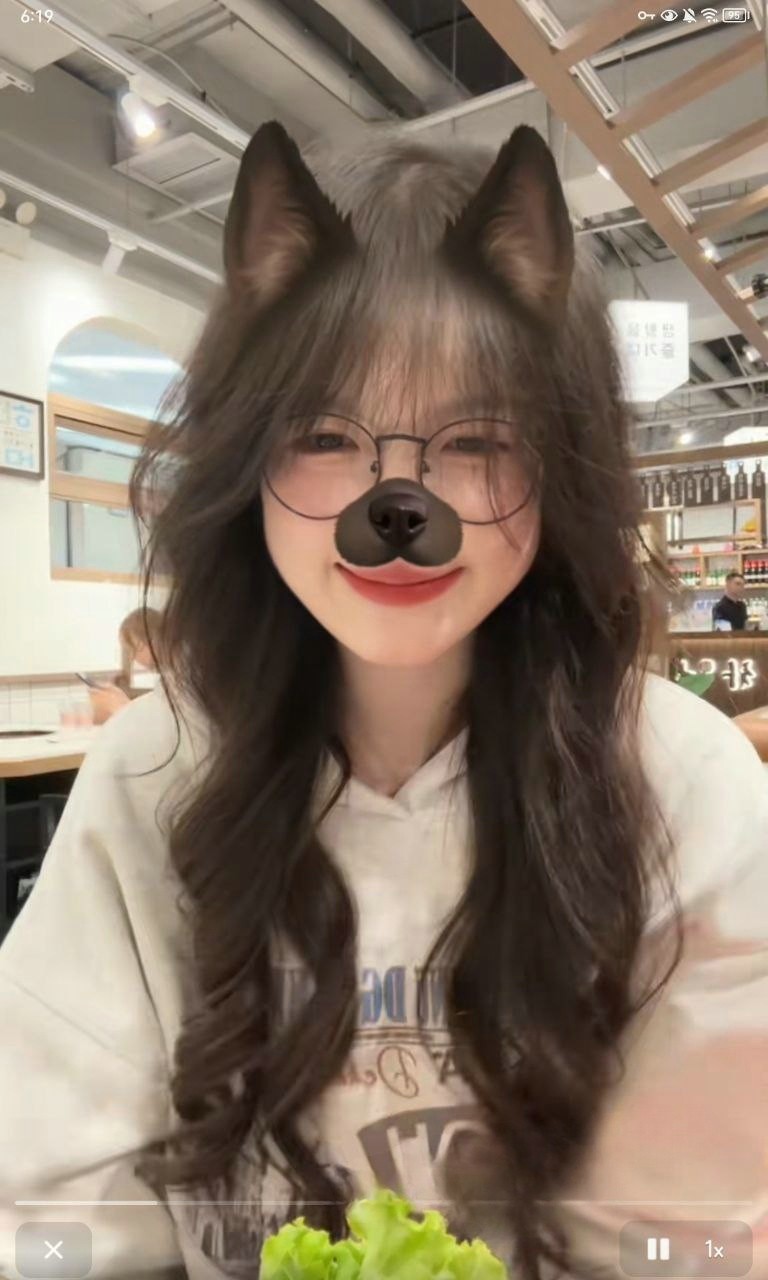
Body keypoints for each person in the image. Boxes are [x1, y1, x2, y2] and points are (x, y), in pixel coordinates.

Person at [1, 124, 767, 1280]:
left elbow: (692, 1238)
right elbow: (57, 1217)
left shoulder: (683, 781)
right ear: (244, 456)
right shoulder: (154, 773)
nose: (399, 500)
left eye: (476, 437)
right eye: (324, 434)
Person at [88, 607, 164, 724]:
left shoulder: (178, 679)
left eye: (135, 648)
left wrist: (122, 707)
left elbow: (157, 725)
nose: (133, 657)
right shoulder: (164, 680)